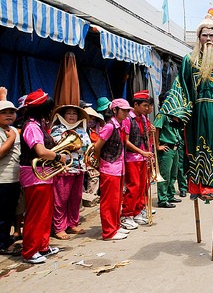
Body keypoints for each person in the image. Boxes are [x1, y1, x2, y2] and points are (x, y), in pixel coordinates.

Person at [172, 15, 213, 200]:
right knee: (195, 147)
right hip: (195, 114)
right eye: (204, 35)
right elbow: (182, 86)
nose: (208, 39)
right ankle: (196, 187)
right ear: (199, 38)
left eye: (212, 35)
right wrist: (179, 111)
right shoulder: (188, 61)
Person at [19, 89, 62, 264]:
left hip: (43, 174)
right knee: (36, 214)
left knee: (45, 212)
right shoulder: (31, 127)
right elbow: (41, 151)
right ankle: (30, 251)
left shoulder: (38, 125)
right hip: (34, 175)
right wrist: (59, 157)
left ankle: (42, 246)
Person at [49, 104, 91, 240]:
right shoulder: (57, 129)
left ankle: (72, 223)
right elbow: (56, 143)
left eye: (74, 113)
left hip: (78, 168)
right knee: (61, 199)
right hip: (63, 169)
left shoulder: (81, 130)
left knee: (75, 198)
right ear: (63, 116)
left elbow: (86, 145)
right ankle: (59, 227)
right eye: (69, 113)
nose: (72, 116)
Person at [94, 99, 131, 241]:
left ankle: (115, 227)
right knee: (109, 201)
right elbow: (98, 146)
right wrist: (100, 162)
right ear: (115, 110)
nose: (127, 113)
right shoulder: (110, 126)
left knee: (116, 200)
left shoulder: (119, 125)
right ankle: (109, 231)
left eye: (128, 110)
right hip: (109, 167)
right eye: (124, 110)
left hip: (118, 167)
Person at [120, 91, 153, 229]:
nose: (147, 108)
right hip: (132, 158)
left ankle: (138, 211)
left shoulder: (144, 119)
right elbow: (126, 141)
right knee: (133, 187)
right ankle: (127, 214)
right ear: (135, 105)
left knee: (142, 186)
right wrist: (142, 152)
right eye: (144, 105)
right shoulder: (128, 119)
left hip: (142, 157)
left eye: (147, 105)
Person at [154, 92, 188, 208]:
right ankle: (162, 199)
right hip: (166, 148)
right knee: (165, 175)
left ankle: (170, 195)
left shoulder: (173, 115)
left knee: (173, 174)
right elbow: (156, 129)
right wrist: (157, 145)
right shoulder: (162, 114)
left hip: (175, 147)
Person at [0, 94, 21, 256]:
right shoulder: (9, 133)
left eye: (11, 112)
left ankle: (6, 240)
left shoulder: (13, 129)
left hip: (15, 178)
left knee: (10, 213)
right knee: (2, 214)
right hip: (2, 179)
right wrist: (12, 138)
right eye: (4, 112)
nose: (9, 115)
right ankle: (3, 244)